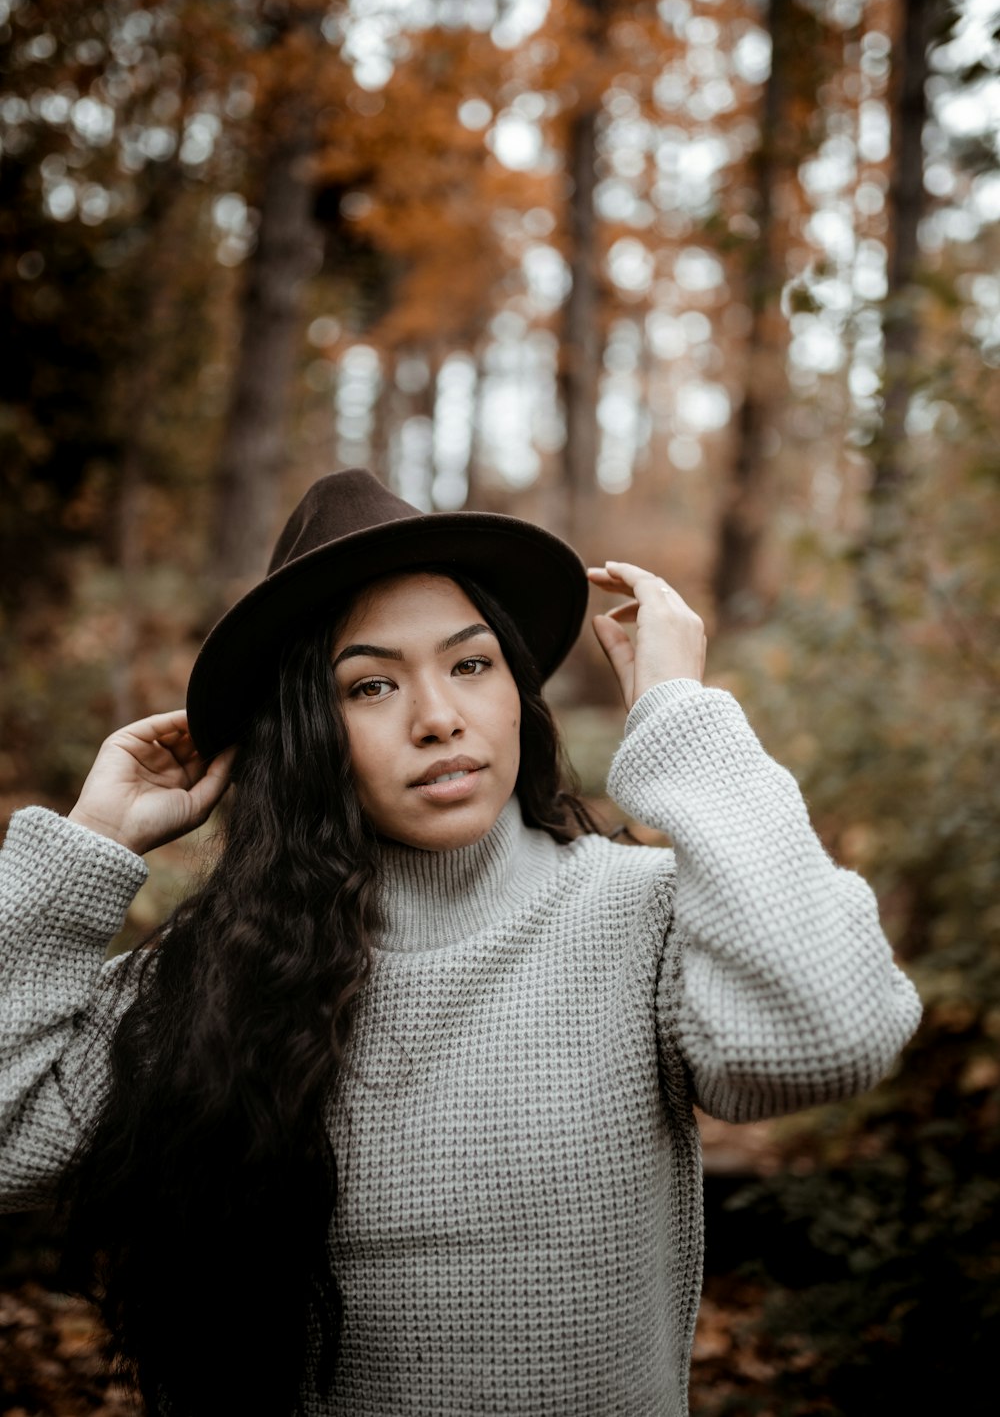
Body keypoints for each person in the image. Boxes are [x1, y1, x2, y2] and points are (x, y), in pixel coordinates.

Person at [0, 468, 921, 1417]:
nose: (438, 717)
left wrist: (682, 721)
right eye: (370, 684)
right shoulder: (210, 975)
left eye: (471, 665)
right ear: (308, 735)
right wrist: (86, 850)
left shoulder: (640, 915)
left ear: (517, 690)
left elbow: (828, 1034)